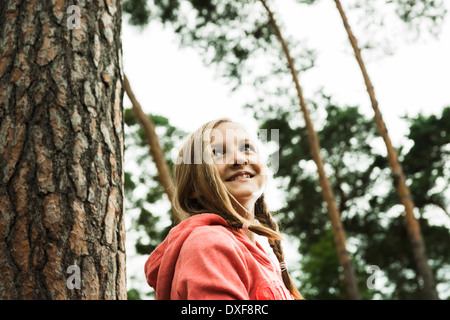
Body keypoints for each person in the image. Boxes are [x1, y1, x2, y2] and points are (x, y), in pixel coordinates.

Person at [144, 118, 304, 300]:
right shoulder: (208, 243)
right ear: (193, 189)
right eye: (217, 153)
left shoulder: (258, 254)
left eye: (246, 148)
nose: (239, 159)